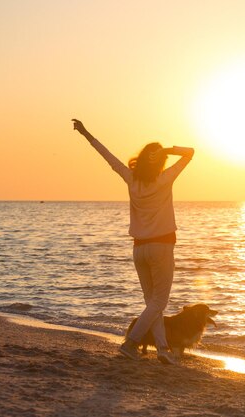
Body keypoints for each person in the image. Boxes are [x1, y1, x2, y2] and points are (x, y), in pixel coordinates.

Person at [72, 118, 194, 365]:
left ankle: (162, 349)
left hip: (139, 249)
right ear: (160, 161)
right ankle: (131, 343)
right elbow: (190, 153)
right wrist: (168, 150)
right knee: (159, 302)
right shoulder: (165, 179)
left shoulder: (131, 179)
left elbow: (107, 155)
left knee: (153, 303)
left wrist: (86, 133)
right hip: (161, 247)